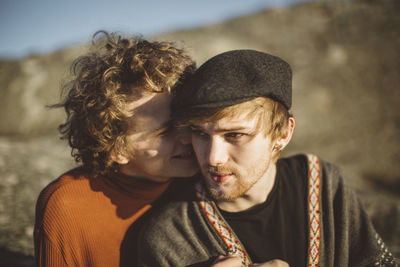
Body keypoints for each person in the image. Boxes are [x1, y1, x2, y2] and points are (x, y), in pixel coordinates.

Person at [134, 50, 397, 266]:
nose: (213, 157)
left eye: (235, 135)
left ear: (282, 133)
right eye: (200, 134)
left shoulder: (324, 182)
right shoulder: (168, 236)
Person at [33, 31, 198, 266]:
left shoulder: (209, 176)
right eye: (166, 130)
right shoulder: (69, 208)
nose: (188, 138)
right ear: (115, 148)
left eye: (188, 120)